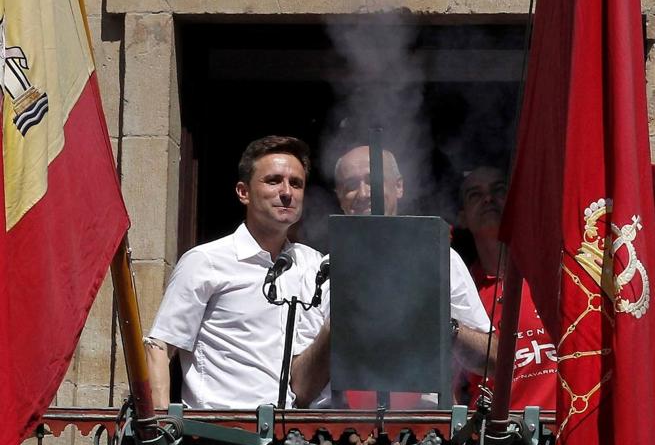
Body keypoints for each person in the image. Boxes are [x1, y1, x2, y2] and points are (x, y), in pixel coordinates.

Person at [291, 145, 496, 408]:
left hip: (424, 424)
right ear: (339, 196)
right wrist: (339, 321)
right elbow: (301, 389)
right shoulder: (321, 272)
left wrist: (444, 325)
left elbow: (493, 361)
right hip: (340, 426)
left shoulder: (439, 257)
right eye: (351, 185)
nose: (364, 193)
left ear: (398, 187)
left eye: (374, 181)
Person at [145, 135, 322, 410]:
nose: (287, 192)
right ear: (243, 192)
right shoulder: (206, 261)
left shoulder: (313, 265)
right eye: (273, 181)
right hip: (219, 429)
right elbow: (159, 347)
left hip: (291, 430)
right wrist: (160, 427)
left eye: (296, 183)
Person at [457, 166, 556, 410]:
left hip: (561, 426)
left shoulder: (554, 274)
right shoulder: (460, 291)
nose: (488, 199)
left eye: (499, 190)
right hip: (492, 431)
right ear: (462, 218)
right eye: (475, 195)